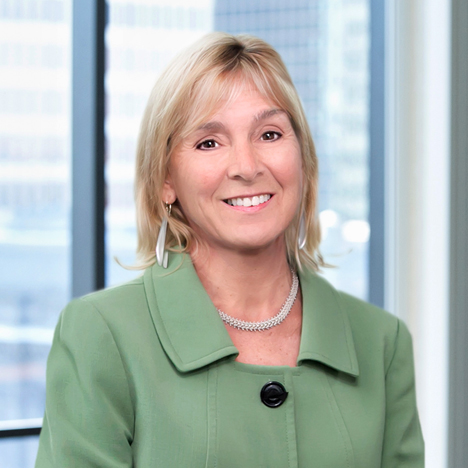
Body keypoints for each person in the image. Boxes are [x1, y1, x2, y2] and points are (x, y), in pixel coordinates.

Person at [35, 32, 424, 467]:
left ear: (303, 158)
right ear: (165, 180)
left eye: (270, 134)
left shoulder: (381, 343)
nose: (246, 166)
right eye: (209, 142)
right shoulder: (101, 336)